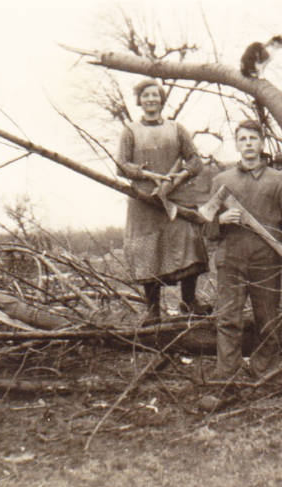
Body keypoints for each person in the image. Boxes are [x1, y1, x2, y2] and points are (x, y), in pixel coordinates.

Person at [206, 120, 282, 379]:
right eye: (243, 139)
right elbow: (205, 228)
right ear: (236, 144)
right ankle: (227, 375)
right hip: (230, 260)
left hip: (265, 261)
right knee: (227, 320)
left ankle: (262, 372)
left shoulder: (278, 180)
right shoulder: (221, 180)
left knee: (267, 319)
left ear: (262, 143)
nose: (248, 144)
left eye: (253, 139)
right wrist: (219, 220)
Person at [117, 78, 210, 323]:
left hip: (176, 197)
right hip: (145, 200)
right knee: (148, 250)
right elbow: (121, 166)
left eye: (155, 95)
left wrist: (180, 176)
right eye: (146, 95)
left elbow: (195, 161)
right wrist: (145, 174)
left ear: (161, 99)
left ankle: (189, 302)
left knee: (189, 240)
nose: (151, 99)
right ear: (139, 101)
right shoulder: (130, 131)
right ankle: (152, 309)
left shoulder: (176, 129)